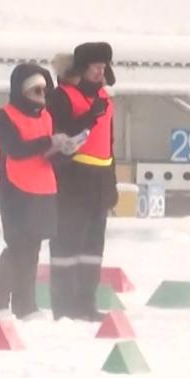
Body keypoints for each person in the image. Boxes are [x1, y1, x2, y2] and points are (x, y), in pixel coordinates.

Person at [0, 63, 72, 319]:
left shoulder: (46, 116)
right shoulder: (4, 116)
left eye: (44, 90)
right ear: (22, 91)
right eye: (35, 90)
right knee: (17, 246)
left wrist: (64, 150)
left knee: (32, 248)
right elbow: (16, 148)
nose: (41, 96)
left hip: (43, 188)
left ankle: (25, 306)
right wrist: (48, 142)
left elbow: (46, 154)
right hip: (15, 188)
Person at [46, 41, 117, 322]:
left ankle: (86, 303)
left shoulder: (104, 99)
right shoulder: (63, 96)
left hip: (100, 181)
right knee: (67, 247)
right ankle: (63, 307)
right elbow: (60, 135)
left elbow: (108, 143)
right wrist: (90, 116)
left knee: (92, 249)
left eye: (104, 66)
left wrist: (110, 184)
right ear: (82, 67)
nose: (101, 71)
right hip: (73, 180)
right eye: (96, 66)